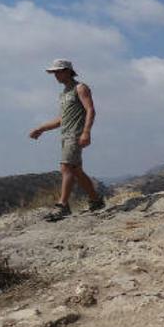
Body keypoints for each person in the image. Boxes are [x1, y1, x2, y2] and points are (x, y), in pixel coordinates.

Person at [29, 59, 104, 221]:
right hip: (65, 135)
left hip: (75, 135)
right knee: (76, 170)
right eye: (54, 72)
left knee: (66, 167)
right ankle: (96, 200)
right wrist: (41, 128)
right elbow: (62, 120)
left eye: (58, 71)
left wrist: (86, 132)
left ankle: (63, 206)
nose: (55, 75)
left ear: (68, 71)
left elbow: (90, 110)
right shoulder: (64, 93)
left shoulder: (80, 88)